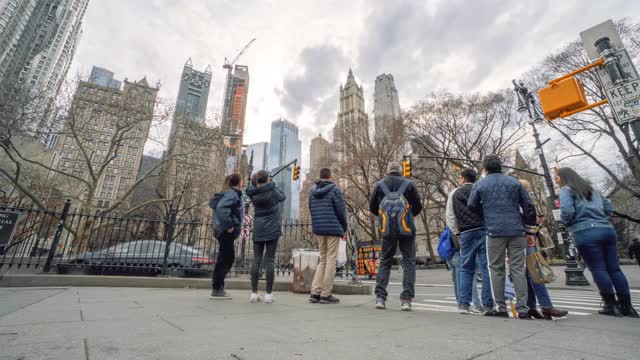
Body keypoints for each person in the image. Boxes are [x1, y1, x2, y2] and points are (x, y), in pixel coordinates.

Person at [557, 167, 638, 318]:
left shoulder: (566, 190)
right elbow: (609, 208)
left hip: (585, 231)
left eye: (557, 177)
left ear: (564, 178)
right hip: (607, 230)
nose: (557, 180)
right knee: (615, 269)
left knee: (598, 268)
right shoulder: (592, 190)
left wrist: (568, 223)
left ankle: (611, 305)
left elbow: (567, 211)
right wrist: (600, 218)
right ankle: (627, 307)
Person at [468, 155, 536, 319]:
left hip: (493, 231)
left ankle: (501, 307)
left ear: (485, 169)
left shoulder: (480, 184)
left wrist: (485, 215)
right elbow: (528, 206)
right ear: (501, 166)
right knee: (518, 269)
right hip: (516, 230)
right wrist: (529, 229)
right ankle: (523, 308)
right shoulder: (514, 182)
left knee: (496, 269)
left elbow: (471, 205)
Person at [369, 162, 423, 311]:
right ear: (400, 171)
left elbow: (372, 207)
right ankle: (406, 299)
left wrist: (385, 218)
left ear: (387, 171)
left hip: (387, 230)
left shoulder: (379, 185)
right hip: (407, 229)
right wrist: (407, 217)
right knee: (409, 262)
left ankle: (380, 298)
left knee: (385, 261)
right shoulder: (409, 184)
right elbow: (418, 206)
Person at [446, 168, 494, 314]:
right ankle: (488, 305)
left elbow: (450, 216)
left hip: (466, 233)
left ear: (463, 179)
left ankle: (464, 304)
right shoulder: (482, 189)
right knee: (486, 269)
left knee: (466, 268)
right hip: (484, 231)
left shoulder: (454, 193)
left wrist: (458, 233)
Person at [518, 179, 568, 320]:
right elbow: (530, 223)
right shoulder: (522, 202)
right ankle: (545, 306)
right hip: (526, 240)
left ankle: (531, 307)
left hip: (524, 239)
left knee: (528, 274)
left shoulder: (521, 202)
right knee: (535, 273)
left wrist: (537, 224)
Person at [309, 168, 348, 304]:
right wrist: (344, 227)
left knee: (323, 259)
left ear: (320, 177)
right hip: (333, 228)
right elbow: (341, 210)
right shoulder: (334, 190)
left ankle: (315, 292)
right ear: (330, 176)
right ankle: (326, 293)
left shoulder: (312, 192)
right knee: (331, 259)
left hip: (319, 229)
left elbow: (311, 210)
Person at [246, 170, 286, 304]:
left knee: (256, 260)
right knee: (270, 260)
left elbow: (252, 187)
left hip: (258, 227)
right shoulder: (272, 190)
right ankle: (268, 294)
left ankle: (254, 293)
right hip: (272, 228)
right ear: (267, 179)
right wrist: (273, 184)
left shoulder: (253, 193)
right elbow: (282, 197)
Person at [209, 173, 243, 300]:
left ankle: (218, 288)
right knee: (227, 259)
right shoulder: (232, 194)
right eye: (242, 180)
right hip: (225, 230)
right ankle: (217, 289)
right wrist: (229, 226)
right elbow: (222, 208)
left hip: (221, 230)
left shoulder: (227, 192)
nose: (243, 182)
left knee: (223, 258)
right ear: (238, 182)